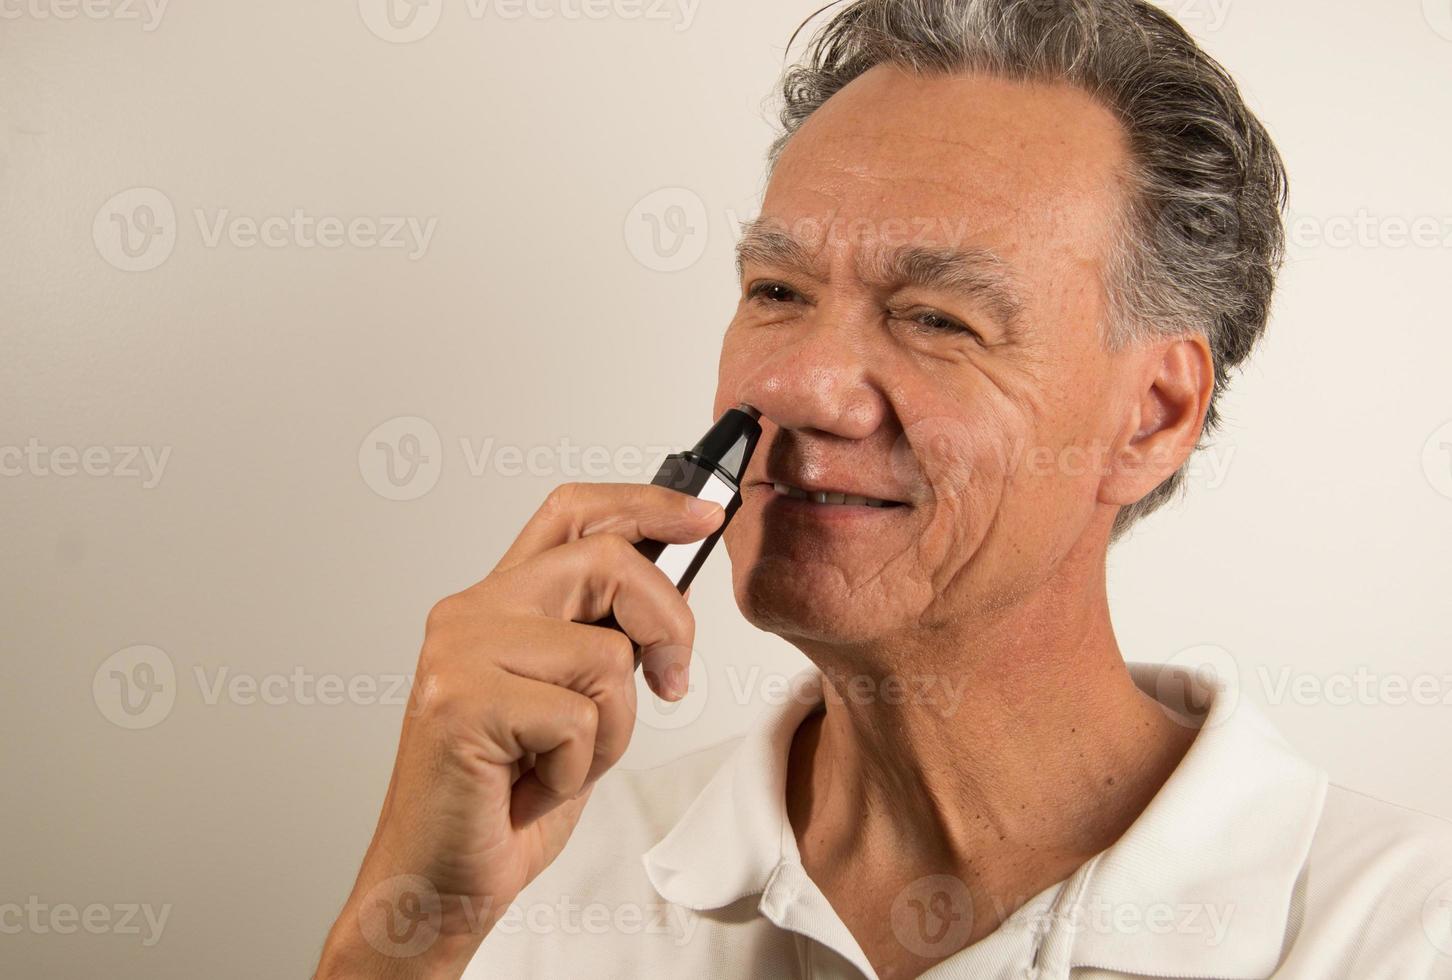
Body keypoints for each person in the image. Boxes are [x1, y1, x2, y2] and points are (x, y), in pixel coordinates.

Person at [314, 1, 1452, 976]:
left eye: (937, 317)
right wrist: (410, 929)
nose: (802, 387)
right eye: (776, 289)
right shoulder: (549, 878)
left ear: (1151, 415)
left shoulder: (1400, 934)